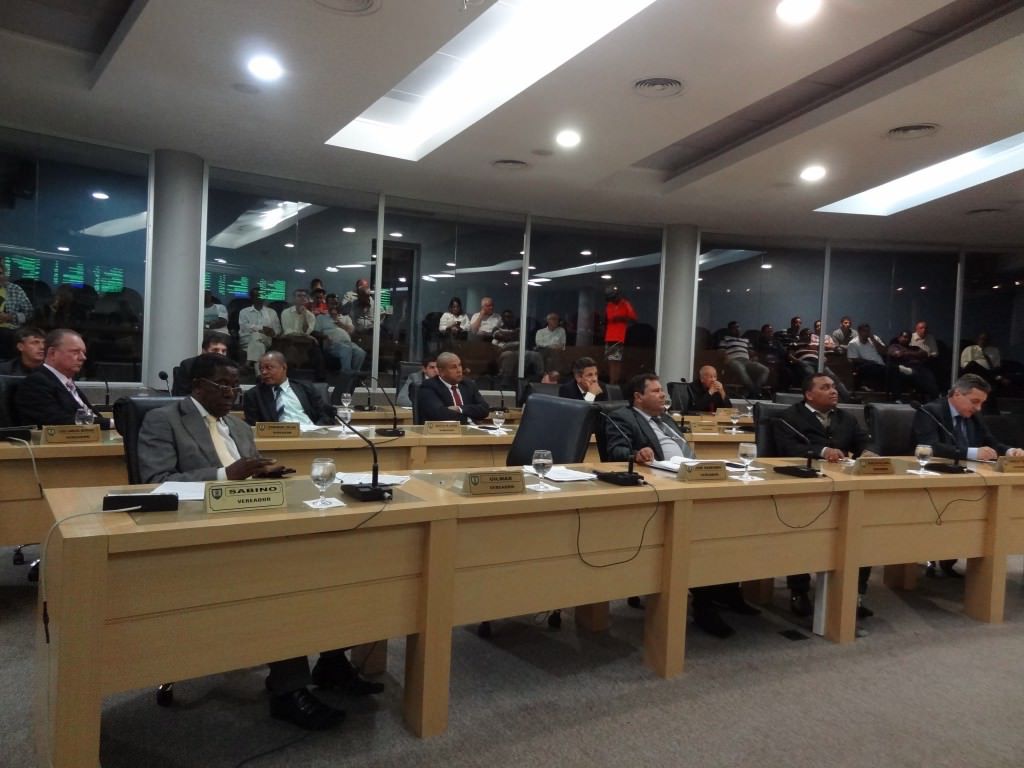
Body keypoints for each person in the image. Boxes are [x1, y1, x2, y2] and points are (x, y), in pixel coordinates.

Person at [138, 353, 380, 730]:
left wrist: (265, 473)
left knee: (334, 563)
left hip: (254, 519)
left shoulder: (239, 427)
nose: (232, 393)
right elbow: (156, 482)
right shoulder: (163, 419)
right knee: (284, 580)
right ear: (197, 386)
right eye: (223, 385)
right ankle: (288, 690)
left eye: (236, 386)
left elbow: (246, 477)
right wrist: (226, 474)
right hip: (200, 532)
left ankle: (332, 663)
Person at [605, 373, 757, 637]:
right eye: (656, 391)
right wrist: (636, 454)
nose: (663, 395)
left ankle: (727, 589)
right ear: (638, 397)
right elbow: (614, 451)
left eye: (661, 390)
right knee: (701, 533)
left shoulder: (666, 419)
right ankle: (704, 604)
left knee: (730, 520)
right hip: (663, 484)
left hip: (691, 476)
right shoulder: (622, 417)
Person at [771, 373, 873, 619]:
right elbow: (788, 449)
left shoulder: (847, 418)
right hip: (805, 487)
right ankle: (799, 591)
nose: (833, 391)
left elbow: (864, 442)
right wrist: (823, 451)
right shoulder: (788, 417)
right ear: (809, 394)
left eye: (834, 386)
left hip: (845, 486)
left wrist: (870, 452)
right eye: (825, 387)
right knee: (803, 534)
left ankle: (854, 595)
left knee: (862, 531)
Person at [912, 373, 1024, 577]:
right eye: (975, 401)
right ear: (957, 394)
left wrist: (1010, 451)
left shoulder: (974, 416)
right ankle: (933, 552)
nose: (978, 408)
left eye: (981, 403)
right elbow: (930, 446)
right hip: (934, 479)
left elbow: (991, 443)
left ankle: (956, 555)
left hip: (969, 478)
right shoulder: (930, 411)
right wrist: (972, 452)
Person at [14, 328, 112, 429]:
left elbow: (90, 415)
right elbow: (59, 421)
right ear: (52, 353)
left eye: (83, 352)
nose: (83, 357)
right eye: (75, 352)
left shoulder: (67, 383)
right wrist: (111, 423)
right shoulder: (35, 383)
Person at [243, 351, 335, 426]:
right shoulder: (254, 395)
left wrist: (316, 431)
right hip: (278, 438)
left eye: (269, 368)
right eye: (261, 369)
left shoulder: (305, 387)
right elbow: (254, 427)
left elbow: (325, 414)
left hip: (310, 434)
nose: (264, 372)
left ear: (284, 367)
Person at [416, 352, 489, 423]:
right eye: (453, 367)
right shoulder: (429, 386)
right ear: (441, 371)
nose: (459, 370)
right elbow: (439, 414)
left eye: (459, 365)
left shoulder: (468, 384)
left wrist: (459, 409)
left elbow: (484, 409)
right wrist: (469, 417)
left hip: (473, 428)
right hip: (447, 430)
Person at [314, 293, 366, 376]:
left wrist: (339, 322)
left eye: (336, 303)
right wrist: (325, 336)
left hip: (348, 343)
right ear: (327, 305)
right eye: (331, 303)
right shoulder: (321, 318)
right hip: (332, 344)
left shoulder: (345, 317)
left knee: (361, 353)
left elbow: (351, 331)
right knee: (346, 349)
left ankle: (354, 376)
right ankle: (346, 373)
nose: (334, 306)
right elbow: (315, 332)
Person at [280, 288, 326, 380]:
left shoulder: (310, 315)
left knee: (317, 354)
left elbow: (307, 331)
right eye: (299, 296)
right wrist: (307, 336)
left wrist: (304, 315)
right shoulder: (286, 312)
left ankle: (320, 382)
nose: (302, 298)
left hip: (306, 343)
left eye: (304, 296)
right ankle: (290, 382)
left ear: (307, 299)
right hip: (290, 342)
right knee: (291, 353)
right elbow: (288, 331)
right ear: (294, 299)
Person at [718, 321, 769, 398]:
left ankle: (755, 390)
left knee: (765, 370)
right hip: (734, 360)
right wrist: (725, 357)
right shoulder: (726, 339)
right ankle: (755, 392)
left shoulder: (746, 340)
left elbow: (752, 352)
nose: (737, 329)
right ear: (730, 330)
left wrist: (754, 357)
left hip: (747, 361)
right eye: (734, 328)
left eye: (738, 327)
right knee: (740, 368)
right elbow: (720, 351)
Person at [238, 289, 281, 373]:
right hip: (247, 339)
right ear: (252, 298)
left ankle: (248, 363)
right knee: (258, 343)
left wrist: (274, 333)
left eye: (261, 296)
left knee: (256, 337)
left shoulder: (272, 312)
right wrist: (262, 328)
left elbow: (278, 329)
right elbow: (244, 328)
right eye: (256, 296)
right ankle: (259, 374)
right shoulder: (244, 312)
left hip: (266, 339)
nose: (259, 298)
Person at [888, 330, 939, 399]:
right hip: (906, 367)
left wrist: (907, 353)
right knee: (917, 375)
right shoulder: (894, 346)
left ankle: (934, 397)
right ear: (899, 338)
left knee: (929, 375)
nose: (907, 339)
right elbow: (897, 354)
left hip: (919, 367)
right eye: (905, 337)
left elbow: (924, 354)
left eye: (909, 338)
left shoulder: (914, 347)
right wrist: (915, 354)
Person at [603, 286, 636, 385]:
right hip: (609, 337)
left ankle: (614, 383)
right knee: (610, 361)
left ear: (618, 295)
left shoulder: (625, 304)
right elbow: (609, 319)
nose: (612, 300)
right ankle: (612, 382)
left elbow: (633, 319)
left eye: (613, 298)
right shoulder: (609, 305)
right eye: (610, 298)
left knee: (616, 361)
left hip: (619, 337)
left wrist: (622, 318)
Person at [0, 263, 33, 356]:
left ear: (4, 275)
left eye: (0, 273)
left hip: (11, 331)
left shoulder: (15, 289)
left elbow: (30, 314)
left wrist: (10, 317)